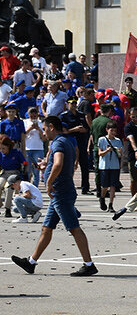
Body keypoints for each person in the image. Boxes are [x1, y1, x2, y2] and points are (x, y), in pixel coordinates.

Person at [9, 116, 97, 277]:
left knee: (74, 228)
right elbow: (57, 163)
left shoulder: (58, 142)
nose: (44, 132)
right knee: (46, 228)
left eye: (44, 129)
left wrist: (49, 183)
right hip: (60, 192)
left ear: (51, 127)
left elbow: (58, 163)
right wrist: (46, 165)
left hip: (60, 193)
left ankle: (89, 264)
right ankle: (31, 262)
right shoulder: (66, 141)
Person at [95, 121, 122, 212]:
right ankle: (102, 198)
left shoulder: (118, 141)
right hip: (104, 166)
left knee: (113, 185)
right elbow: (100, 153)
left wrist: (118, 152)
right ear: (107, 130)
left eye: (115, 131)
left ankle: (111, 204)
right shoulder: (102, 140)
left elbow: (120, 155)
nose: (113, 133)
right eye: (111, 131)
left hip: (115, 166)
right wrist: (107, 150)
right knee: (105, 186)